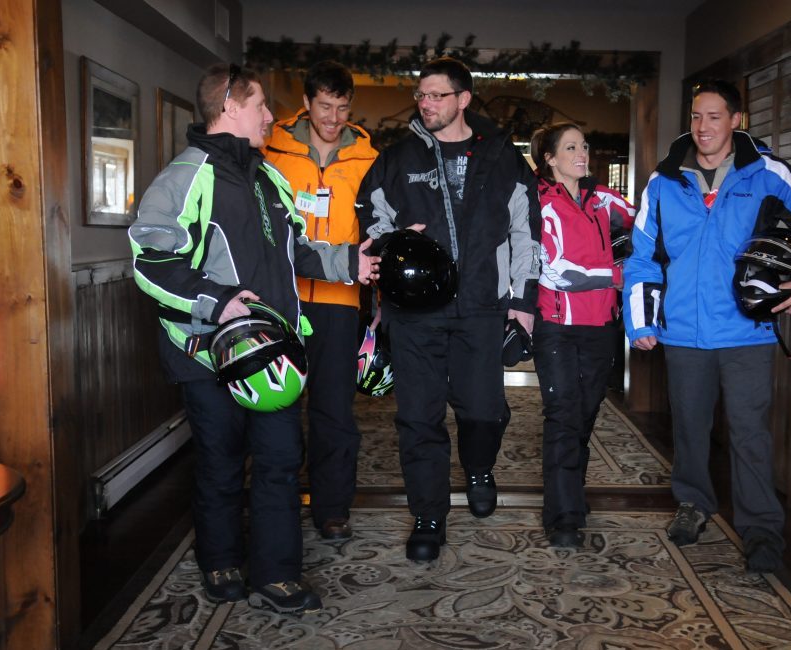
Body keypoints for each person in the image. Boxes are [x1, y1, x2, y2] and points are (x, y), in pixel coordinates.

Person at [129, 62, 378, 612]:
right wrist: (219, 300)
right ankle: (219, 562)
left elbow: (298, 251)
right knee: (220, 460)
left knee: (281, 459)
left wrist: (348, 262)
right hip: (207, 353)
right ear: (230, 107)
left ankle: (278, 573)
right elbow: (151, 262)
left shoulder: (269, 177)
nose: (271, 116)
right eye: (261, 105)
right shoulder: (185, 176)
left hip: (274, 351)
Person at [622, 79, 791, 572]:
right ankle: (694, 503)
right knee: (689, 426)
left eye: (714, 117)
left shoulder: (766, 173)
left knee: (749, 431)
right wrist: (642, 320)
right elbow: (641, 257)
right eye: (696, 117)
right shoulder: (663, 182)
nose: (703, 128)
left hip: (747, 331)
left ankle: (762, 529)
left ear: (736, 121)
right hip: (682, 330)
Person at [357, 57, 542, 562]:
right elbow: (369, 216)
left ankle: (480, 467)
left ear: (463, 99)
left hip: (483, 308)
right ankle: (429, 517)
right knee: (418, 418)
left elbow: (527, 231)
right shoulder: (397, 159)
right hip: (414, 311)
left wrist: (523, 303)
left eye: (438, 95)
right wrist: (386, 243)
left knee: (483, 411)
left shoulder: (504, 157)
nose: (426, 104)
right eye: (421, 95)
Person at [263, 60, 378, 542]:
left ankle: (332, 508)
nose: (333, 117)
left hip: (340, 299)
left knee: (334, 408)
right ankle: (278, 499)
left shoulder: (369, 158)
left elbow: (376, 225)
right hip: (280, 296)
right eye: (324, 106)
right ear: (306, 104)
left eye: (342, 107)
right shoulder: (271, 148)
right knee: (279, 403)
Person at [529, 123, 635, 548]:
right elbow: (557, 272)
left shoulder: (603, 200)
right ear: (550, 159)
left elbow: (645, 224)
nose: (582, 153)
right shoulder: (540, 202)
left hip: (600, 327)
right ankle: (564, 514)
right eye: (571, 147)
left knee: (585, 416)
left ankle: (569, 491)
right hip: (556, 327)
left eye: (584, 146)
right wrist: (617, 275)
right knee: (563, 415)